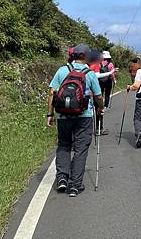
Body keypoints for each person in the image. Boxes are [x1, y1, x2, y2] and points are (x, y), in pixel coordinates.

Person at [47, 44, 104, 197]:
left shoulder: (62, 70)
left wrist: (50, 114)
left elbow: (52, 93)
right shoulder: (89, 73)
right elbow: (98, 96)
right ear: (85, 57)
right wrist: (100, 108)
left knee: (64, 145)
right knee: (80, 149)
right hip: (83, 116)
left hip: (63, 116)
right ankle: (75, 185)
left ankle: (62, 179)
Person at [87, 50, 116, 136]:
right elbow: (96, 75)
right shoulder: (98, 64)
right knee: (99, 106)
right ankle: (99, 129)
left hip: (87, 88)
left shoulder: (87, 64)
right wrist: (111, 73)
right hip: (96, 86)